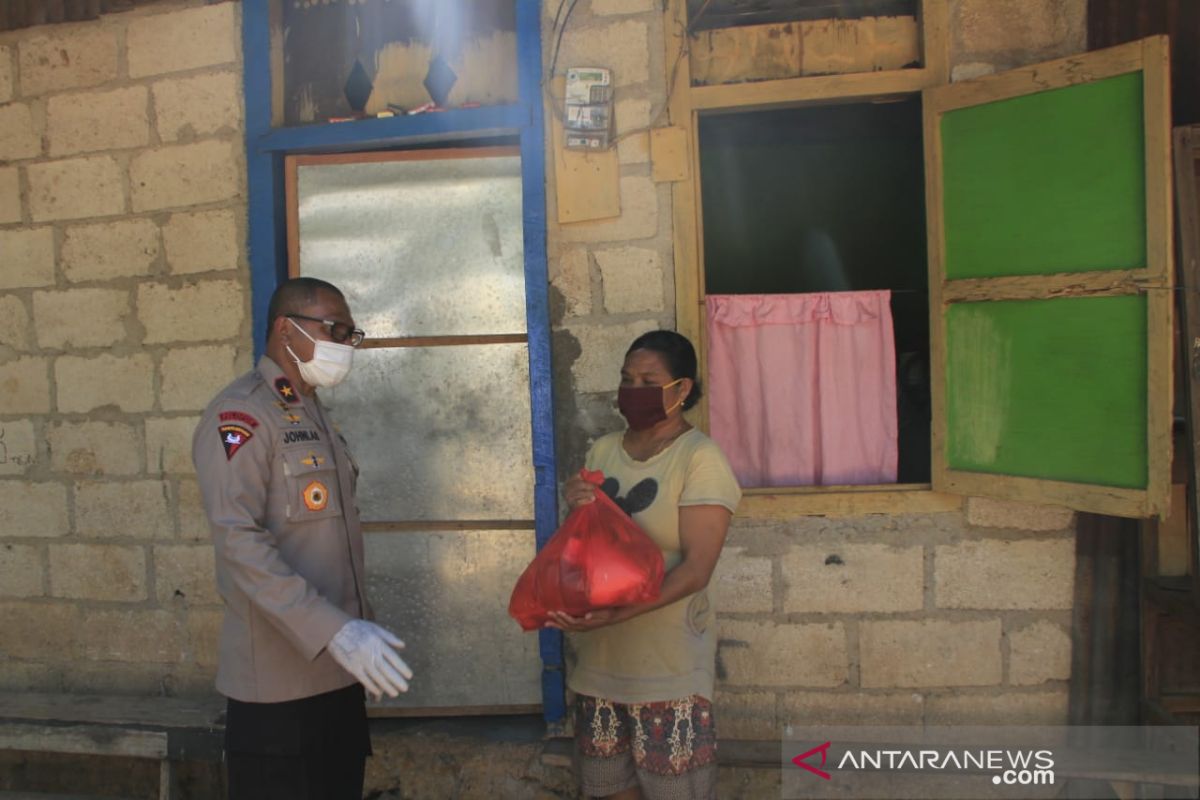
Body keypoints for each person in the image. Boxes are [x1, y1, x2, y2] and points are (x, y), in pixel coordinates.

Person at [192, 277, 413, 800]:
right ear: (284, 329)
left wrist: (349, 636)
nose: (342, 343)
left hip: (338, 678)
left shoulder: (311, 413)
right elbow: (238, 542)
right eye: (332, 328)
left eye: (349, 333)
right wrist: (333, 630)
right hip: (277, 692)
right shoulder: (241, 416)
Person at [549, 330, 742, 800]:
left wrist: (616, 613)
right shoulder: (603, 450)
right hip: (600, 664)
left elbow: (696, 570)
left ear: (683, 389)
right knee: (608, 791)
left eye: (648, 380)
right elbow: (587, 549)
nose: (633, 390)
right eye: (627, 378)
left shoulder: (701, 459)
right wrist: (576, 507)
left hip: (668, 669)